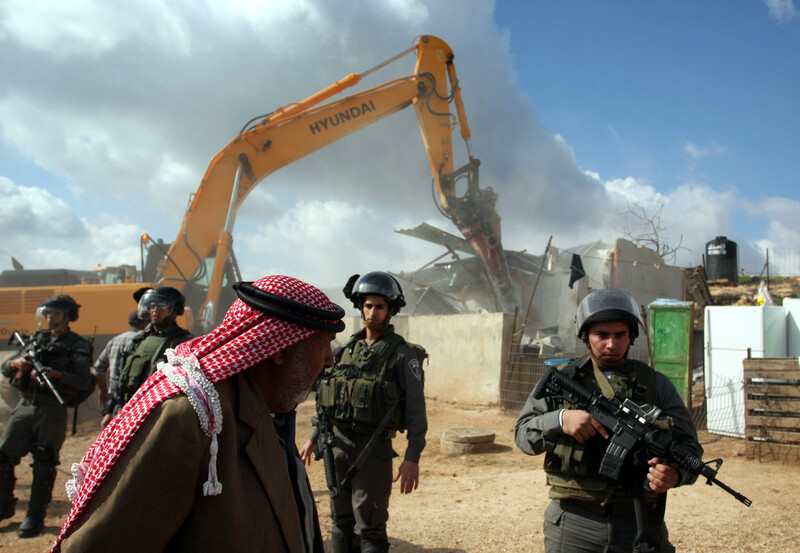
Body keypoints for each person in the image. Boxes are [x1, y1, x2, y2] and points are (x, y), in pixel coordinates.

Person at [51, 275, 346, 553]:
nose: (331, 360)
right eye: (323, 346)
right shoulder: (192, 418)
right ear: (279, 351)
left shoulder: (269, 408)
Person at [514, 288, 703, 553]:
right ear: (586, 337)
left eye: (620, 335)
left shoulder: (656, 385)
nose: (611, 344)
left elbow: (690, 448)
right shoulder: (564, 379)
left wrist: (676, 474)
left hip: (639, 524)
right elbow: (523, 435)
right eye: (602, 335)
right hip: (574, 523)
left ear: (631, 337)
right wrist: (560, 419)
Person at [299, 271, 427, 553]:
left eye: (379, 306)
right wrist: (312, 438)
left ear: (391, 310)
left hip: (372, 450)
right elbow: (328, 402)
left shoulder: (402, 355)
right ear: (360, 307)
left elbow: (417, 411)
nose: (372, 312)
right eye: (368, 305)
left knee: (370, 527)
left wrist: (412, 457)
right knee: (340, 522)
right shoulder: (345, 350)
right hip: (337, 447)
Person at [0, 294, 93, 538]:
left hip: (52, 408)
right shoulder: (34, 339)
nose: (49, 317)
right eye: (48, 313)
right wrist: (18, 363)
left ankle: (35, 516)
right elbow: (5, 366)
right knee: (4, 455)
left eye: (55, 313)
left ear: (67, 316)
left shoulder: (77, 344)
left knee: (44, 461)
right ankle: (3, 506)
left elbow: (84, 381)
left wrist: (57, 375)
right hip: (25, 405)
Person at [110, 286, 192, 413]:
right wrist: (111, 408)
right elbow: (121, 377)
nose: (155, 310)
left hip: (159, 411)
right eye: (152, 305)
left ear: (175, 311)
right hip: (129, 408)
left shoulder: (183, 342)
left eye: (161, 306)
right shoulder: (139, 340)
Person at [95, 310, 148, 428]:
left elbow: (98, 368)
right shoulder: (144, 340)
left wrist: (103, 390)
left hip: (114, 394)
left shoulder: (115, 340)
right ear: (145, 323)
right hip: (135, 395)